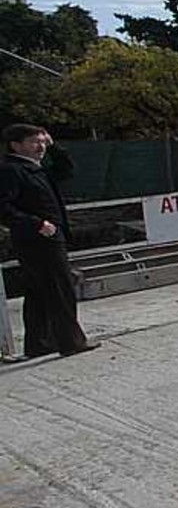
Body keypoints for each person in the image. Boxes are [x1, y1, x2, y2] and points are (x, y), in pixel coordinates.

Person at [0, 123, 96, 358]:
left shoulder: (35, 168)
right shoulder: (12, 170)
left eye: (42, 141)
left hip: (48, 237)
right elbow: (3, 207)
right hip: (39, 239)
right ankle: (71, 341)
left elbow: (65, 171)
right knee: (59, 289)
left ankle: (39, 343)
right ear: (16, 145)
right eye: (34, 142)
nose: (40, 146)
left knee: (39, 293)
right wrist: (37, 224)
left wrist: (54, 147)